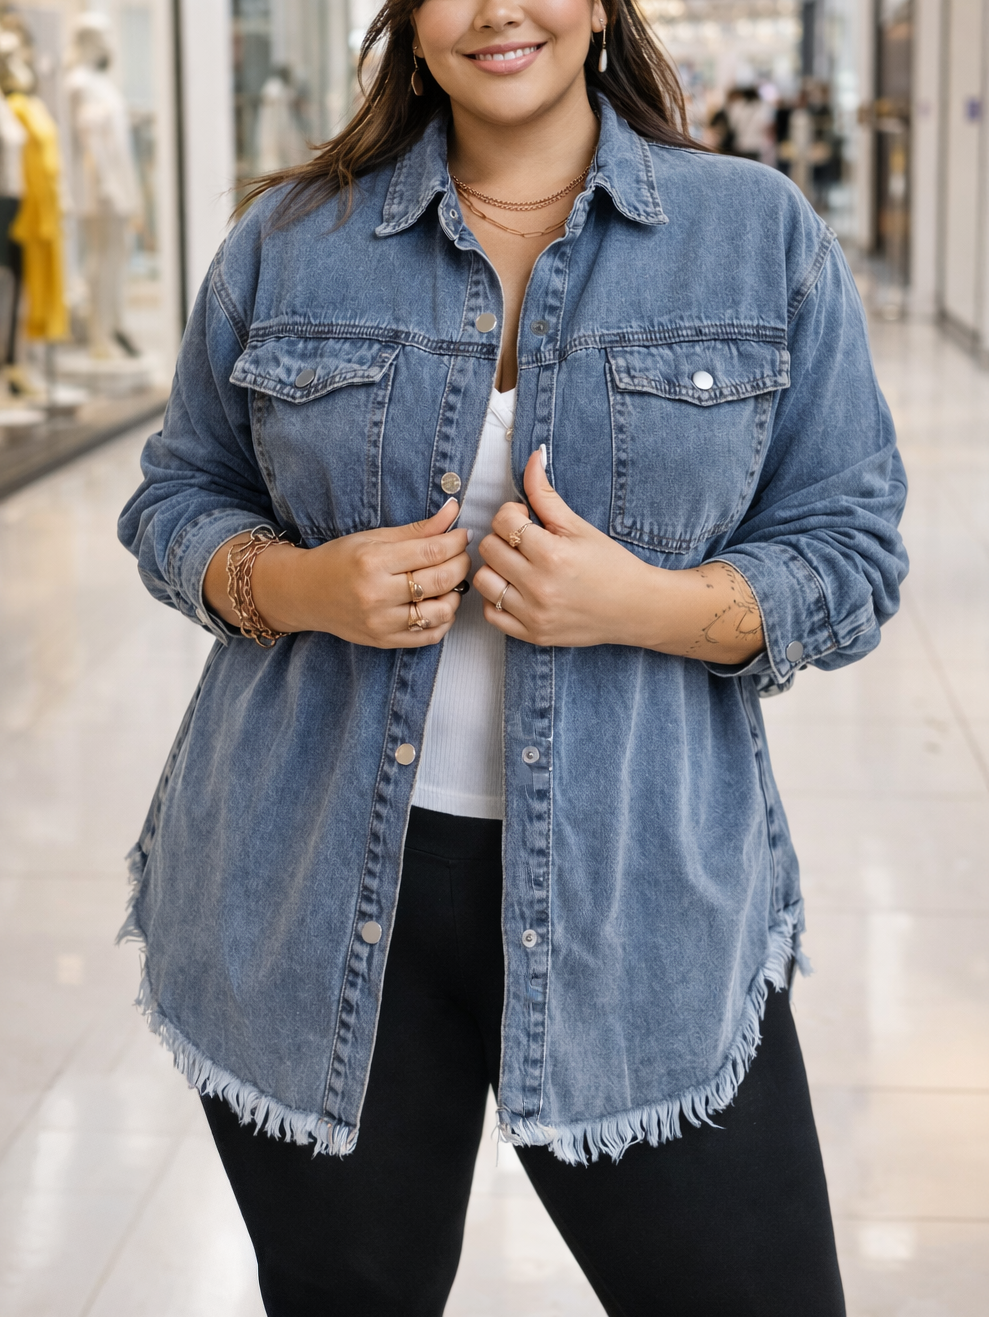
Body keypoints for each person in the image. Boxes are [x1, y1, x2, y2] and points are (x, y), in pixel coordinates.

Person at [118, 0, 908, 1312]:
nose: (496, 11)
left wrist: (641, 603)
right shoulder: (291, 239)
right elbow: (175, 500)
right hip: (311, 894)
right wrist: (306, 585)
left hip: (644, 899)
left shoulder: (749, 233)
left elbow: (853, 552)